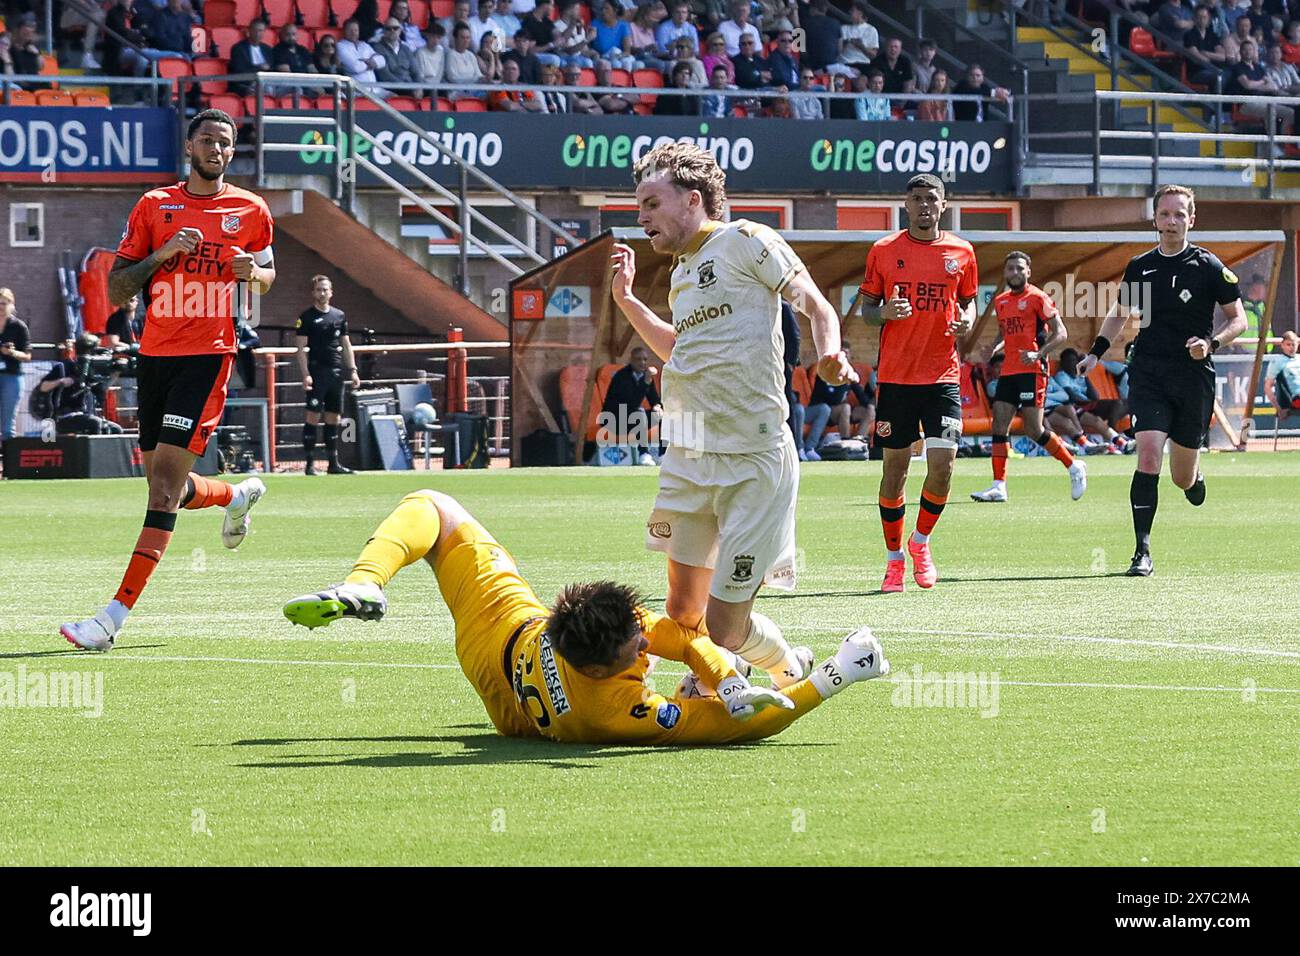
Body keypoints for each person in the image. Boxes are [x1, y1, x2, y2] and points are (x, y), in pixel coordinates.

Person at [283, 490, 890, 744]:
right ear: (605, 668)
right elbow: (738, 731)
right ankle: (775, 669)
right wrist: (840, 674)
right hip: (511, 706)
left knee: (432, 507)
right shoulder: (616, 712)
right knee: (730, 674)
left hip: (500, 629)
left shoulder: (601, 628)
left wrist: (724, 677)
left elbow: (670, 633)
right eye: (635, 649)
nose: (644, 643)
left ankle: (363, 583)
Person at [609, 142, 854, 687]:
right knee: (681, 614)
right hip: (689, 455)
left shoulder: (748, 241)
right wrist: (627, 300)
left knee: (721, 626)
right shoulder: (681, 271)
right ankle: (778, 670)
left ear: (692, 199)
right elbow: (681, 349)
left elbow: (814, 303)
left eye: (650, 203)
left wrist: (831, 352)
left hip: (754, 459)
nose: (640, 215)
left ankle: (766, 666)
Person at [60, 109, 275, 652]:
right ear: (190, 147)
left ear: (233, 151)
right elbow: (116, 291)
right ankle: (234, 495)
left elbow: (269, 273)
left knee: (160, 491)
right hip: (155, 355)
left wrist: (257, 274)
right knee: (167, 484)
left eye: (226, 143)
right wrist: (162, 254)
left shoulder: (251, 210)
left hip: (208, 357)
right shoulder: (154, 206)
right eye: (208, 140)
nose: (218, 149)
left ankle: (110, 620)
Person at [1078, 184, 1247, 577]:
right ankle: (1141, 551)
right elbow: (1119, 314)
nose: (1171, 221)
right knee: (1149, 455)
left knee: (1180, 475)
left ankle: (1192, 479)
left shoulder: (1208, 267)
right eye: (1165, 214)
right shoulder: (1140, 266)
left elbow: (1237, 319)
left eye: (1179, 214)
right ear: (1154, 218)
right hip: (1149, 372)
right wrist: (1094, 353)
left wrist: (1211, 343)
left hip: (1192, 377)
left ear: (1192, 219)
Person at [852, 173, 977, 593]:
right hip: (897, 377)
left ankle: (920, 543)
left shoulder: (962, 251)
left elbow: (970, 300)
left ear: (945, 205)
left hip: (942, 374)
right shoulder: (884, 251)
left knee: (943, 469)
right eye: (917, 199)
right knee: (896, 471)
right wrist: (885, 312)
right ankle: (893, 561)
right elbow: (866, 310)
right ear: (906, 205)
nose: (925, 205)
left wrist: (968, 320)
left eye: (932, 199)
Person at [970, 251, 1086, 503]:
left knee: (1034, 429)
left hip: (1033, 372)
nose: (1014, 273)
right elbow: (1005, 335)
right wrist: (993, 349)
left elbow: (1061, 333)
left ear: (1028, 272)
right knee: (999, 425)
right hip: (1009, 371)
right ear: (1005, 272)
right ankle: (998, 486)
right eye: (1010, 268)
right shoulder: (1001, 301)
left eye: (1019, 269)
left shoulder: (1038, 297)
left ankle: (1074, 466)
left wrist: (1038, 354)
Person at [296, 274, 360, 476]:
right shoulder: (306, 318)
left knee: (334, 417)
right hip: (317, 372)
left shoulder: (339, 316)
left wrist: (353, 370)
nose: (322, 293)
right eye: (318, 289)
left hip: (336, 373)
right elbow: (300, 348)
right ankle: (309, 464)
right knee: (313, 416)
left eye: (325, 289)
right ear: (313, 292)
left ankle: (333, 463)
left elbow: (346, 344)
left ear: (331, 292)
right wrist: (306, 374)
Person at [35, 334, 124, 436]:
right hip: (65, 416)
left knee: (116, 429)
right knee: (95, 423)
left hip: (85, 414)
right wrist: (61, 381)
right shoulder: (64, 367)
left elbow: (101, 388)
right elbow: (43, 387)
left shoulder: (93, 370)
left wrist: (116, 373)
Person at [1054, 347, 1132, 451]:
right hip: (1078, 405)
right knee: (1112, 408)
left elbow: (1095, 396)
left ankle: (1120, 443)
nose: (1072, 363)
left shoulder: (1080, 376)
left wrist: (1084, 374)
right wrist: (1091, 402)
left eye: (1074, 360)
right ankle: (1117, 440)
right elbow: (1072, 397)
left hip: (1089, 404)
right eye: (1069, 361)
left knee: (1124, 404)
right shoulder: (1062, 376)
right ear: (1063, 363)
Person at [600, 346, 662, 464]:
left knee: (662, 412)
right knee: (639, 413)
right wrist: (645, 382)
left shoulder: (646, 376)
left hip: (633, 420)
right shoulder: (622, 377)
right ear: (631, 360)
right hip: (615, 421)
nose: (642, 363)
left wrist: (657, 406)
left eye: (645, 359)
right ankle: (644, 454)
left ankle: (662, 454)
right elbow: (632, 403)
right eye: (638, 359)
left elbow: (654, 399)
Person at [0, 287, 31, 442]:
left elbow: (27, 355)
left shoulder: (18, 326)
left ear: (11, 305)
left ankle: (8, 463)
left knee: (7, 425)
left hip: (11, 376)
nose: (1, 307)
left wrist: (11, 353)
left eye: (4, 304)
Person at [375, 14, 425, 88]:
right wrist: (406, 87)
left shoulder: (406, 49)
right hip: (392, 87)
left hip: (410, 86)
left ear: (400, 30)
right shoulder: (377, 48)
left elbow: (416, 72)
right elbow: (384, 75)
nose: (392, 31)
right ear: (384, 31)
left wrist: (419, 87)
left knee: (435, 92)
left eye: (395, 28)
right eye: (388, 28)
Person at [229, 19, 274, 95]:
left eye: (261, 31)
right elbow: (239, 70)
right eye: (255, 30)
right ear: (249, 31)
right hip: (248, 83)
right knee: (267, 89)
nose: (258, 33)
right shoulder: (238, 48)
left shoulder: (267, 49)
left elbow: (272, 68)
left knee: (296, 89)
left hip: (268, 81)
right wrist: (259, 67)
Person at [338, 17, 387, 86]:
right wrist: (372, 62)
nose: (353, 33)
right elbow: (356, 67)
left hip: (375, 88)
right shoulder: (340, 46)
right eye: (350, 30)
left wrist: (367, 61)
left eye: (356, 30)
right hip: (357, 90)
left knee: (395, 96)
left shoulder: (364, 45)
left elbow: (382, 61)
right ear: (344, 31)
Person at [592, 0, 637, 71]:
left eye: (607, 8)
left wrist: (618, 56)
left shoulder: (623, 25)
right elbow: (590, 44)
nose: (603, 11)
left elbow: (627, 51)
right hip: (602, 57)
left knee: (638, 64)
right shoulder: (595, 23)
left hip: (619, 56)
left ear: (615, 11)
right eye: (602, 9)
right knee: (616, 64)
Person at [838, 1, 878, 71]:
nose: (849, 12)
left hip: (862, 65)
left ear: (860, 13)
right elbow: (837, 51)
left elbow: (873, 55)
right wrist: (846, 42)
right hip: (844, 63)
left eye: (852, 10)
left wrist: (861, 46)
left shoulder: (871, 30)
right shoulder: (844, 28)